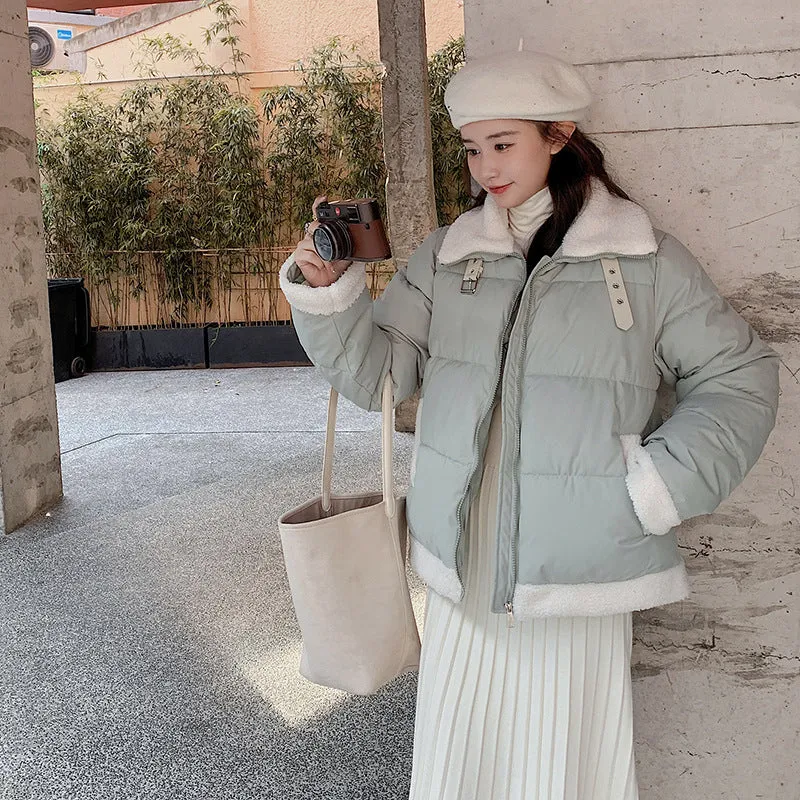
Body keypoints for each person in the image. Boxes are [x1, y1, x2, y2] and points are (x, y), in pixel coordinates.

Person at [279, 49, 779, 800]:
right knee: (461, 761)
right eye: (472, 148)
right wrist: (330, 295)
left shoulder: (641, 260)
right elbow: (378, 379)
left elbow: (741, 378)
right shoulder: (451, 256)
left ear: (558, 135)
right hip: (463, 561)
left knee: (563, 765)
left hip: (579, 560)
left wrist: (652, 490)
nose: (485, 167)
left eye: (503, 143)